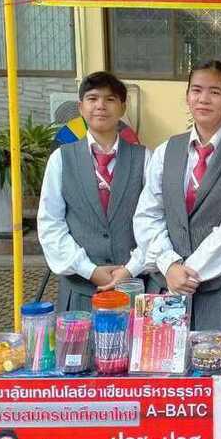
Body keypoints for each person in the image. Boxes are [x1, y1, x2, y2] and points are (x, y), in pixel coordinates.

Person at [134, 60, 221, 332]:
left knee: (220, 357)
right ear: (187, 96)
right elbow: (148, 214)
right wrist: (169, 265)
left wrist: (187, 273)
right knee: (165, 356)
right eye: (196, 90)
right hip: (166, 286)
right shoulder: (166, 151)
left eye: (215, 92)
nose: (204, 99)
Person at [38, 71, 151, 312]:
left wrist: (130, 268)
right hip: (80, 290)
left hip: (134, 288)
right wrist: (89, 270)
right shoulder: (61, 159)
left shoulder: (144, 158)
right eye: (92, 98)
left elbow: (155, 220)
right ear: (80, 107)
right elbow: (50, 223)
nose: (101, 105)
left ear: (122, 107)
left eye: (110, 99)